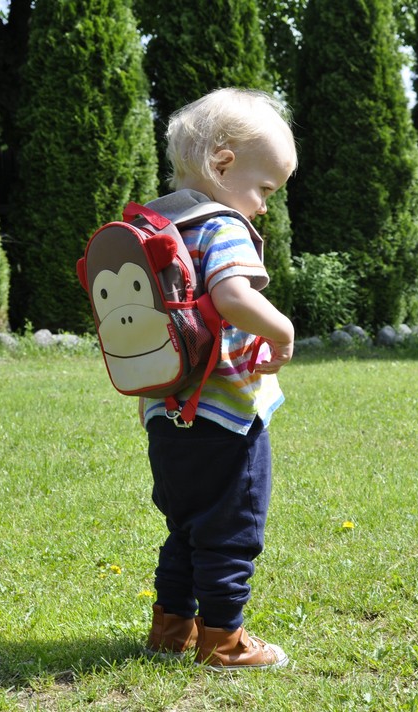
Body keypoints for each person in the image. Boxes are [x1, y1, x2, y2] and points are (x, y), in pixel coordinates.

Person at [140, 88, 297, 671]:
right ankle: (224, 641)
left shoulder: (159, 225)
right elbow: (232, 296)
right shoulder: (221, 225)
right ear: (223, 164)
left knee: (184, 525)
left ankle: (171, 628)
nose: (262, 207)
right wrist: (280, 330)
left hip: (165, 409)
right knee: (231, 528)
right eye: (263, 191)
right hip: (227, 411)